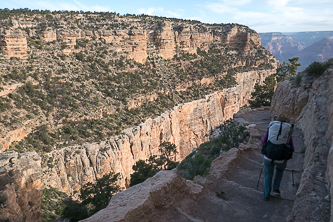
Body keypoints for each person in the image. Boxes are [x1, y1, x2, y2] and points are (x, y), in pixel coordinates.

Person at [262, 114, 295, 200]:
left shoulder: (271, 128)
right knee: (280, 170)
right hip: (281, 157)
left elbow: (263, 141)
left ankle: (266, 195)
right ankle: (276, 187)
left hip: (268, 156)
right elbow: (292, 147)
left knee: (268, 174)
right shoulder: (287, 131)